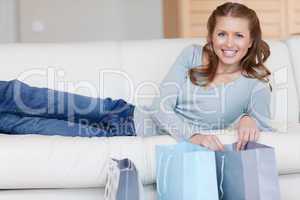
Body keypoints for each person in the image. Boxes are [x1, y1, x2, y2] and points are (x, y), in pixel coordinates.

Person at [0, 2, 272, 151]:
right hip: (122, 112)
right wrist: (193, 137)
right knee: (35, 98)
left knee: (27, 126)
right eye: (222, 33)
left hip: (120, 136)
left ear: (250, 41)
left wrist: (247, 117)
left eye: (239, 35)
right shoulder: (192, 55)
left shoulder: (255, 87)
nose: (229, 43)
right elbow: (160, 107)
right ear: (211, 37)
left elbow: (265, 133)